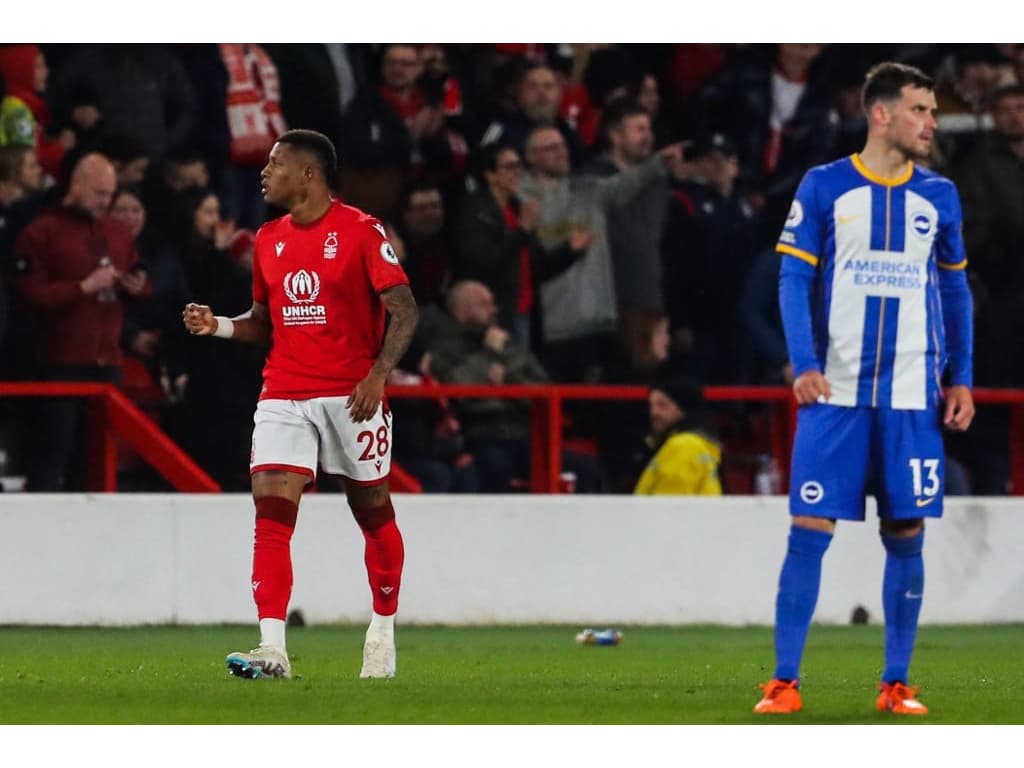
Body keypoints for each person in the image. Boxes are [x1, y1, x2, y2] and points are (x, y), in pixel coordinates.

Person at [754, 63, 975, 716]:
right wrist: (803, 362)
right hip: (838, 396)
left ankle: (896, 683)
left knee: (906, 533)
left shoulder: (940, 196)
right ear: (881, 114)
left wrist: (960, 376)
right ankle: (784, 682)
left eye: (933, 111)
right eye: (919, 110)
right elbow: (792, 280)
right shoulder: (825, 187)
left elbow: (955, 290)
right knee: (809, 527)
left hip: (913, 398)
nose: (931, 122)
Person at [182, 129, 419, 681]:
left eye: (275, 163)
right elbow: (264, 322)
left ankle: (381, 633)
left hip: (351, 395)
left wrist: (377, 376)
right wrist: (216, 325)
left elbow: (404, 310)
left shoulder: (361, 231)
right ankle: (273, 649)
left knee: (373, 512)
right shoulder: (268, 239)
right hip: (284, 391)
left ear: (308, 174)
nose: (264, 172)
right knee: (271, 513)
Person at [633, 374, 721, 495]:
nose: (653, 412)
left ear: (684, 409)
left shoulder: (684, 446)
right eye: (651, 405)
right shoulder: (689, 444)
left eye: (662, 405)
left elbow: (669, 509)